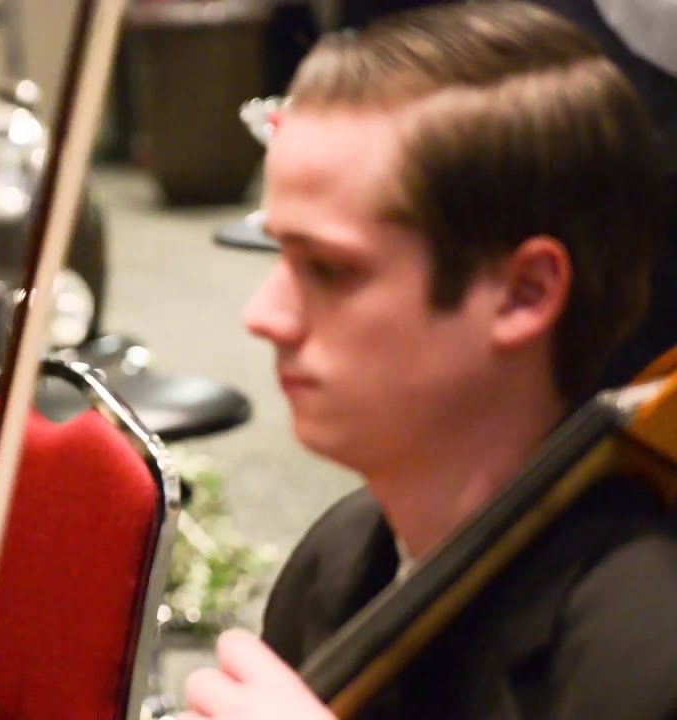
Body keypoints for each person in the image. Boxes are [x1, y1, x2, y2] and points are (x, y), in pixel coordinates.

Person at [183, 2, 677, 718]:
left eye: (329, 270)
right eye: (278, 254)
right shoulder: (337, 560)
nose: (264, 316)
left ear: (523, 293)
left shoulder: (645, 652)